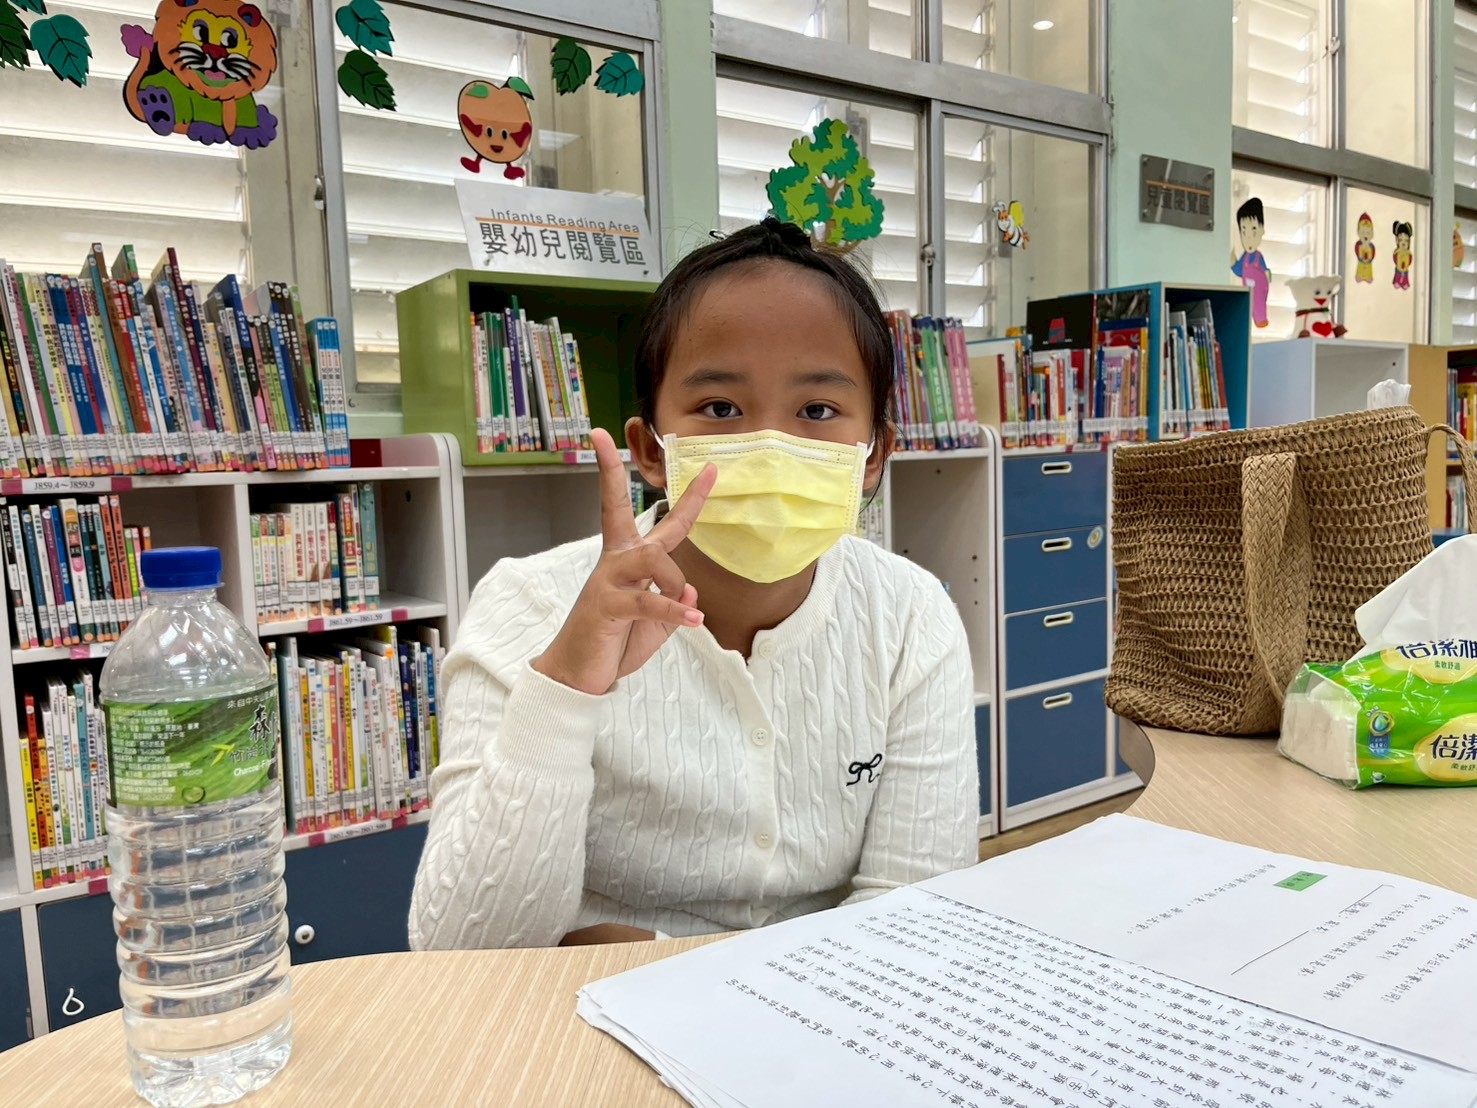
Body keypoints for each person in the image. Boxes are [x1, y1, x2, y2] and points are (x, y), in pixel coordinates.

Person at [408, 218, 978, 950]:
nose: (770, 445)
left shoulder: (910, 616)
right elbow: (462, 952)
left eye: (817, 411)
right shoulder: (529, 605)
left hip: (824, 1007)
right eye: (719, 409)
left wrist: (645, 953)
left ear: (873, 455)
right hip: (591, 1013)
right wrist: (567, 688)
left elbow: (916, 915)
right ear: (651, 450)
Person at [1231, 197, 1271, 328]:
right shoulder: (1245, 257)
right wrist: (1232, 262)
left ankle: (1261, 320)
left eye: (1254, 230)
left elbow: (1266, 273)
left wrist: (1267, 281)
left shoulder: (1259, 257)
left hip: (1259, 288)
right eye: (1243, 231)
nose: (1248, 237)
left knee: (1259, 304)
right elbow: (1238, 270)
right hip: (1248, 289)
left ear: (1262, 230)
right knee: (1249, 305)